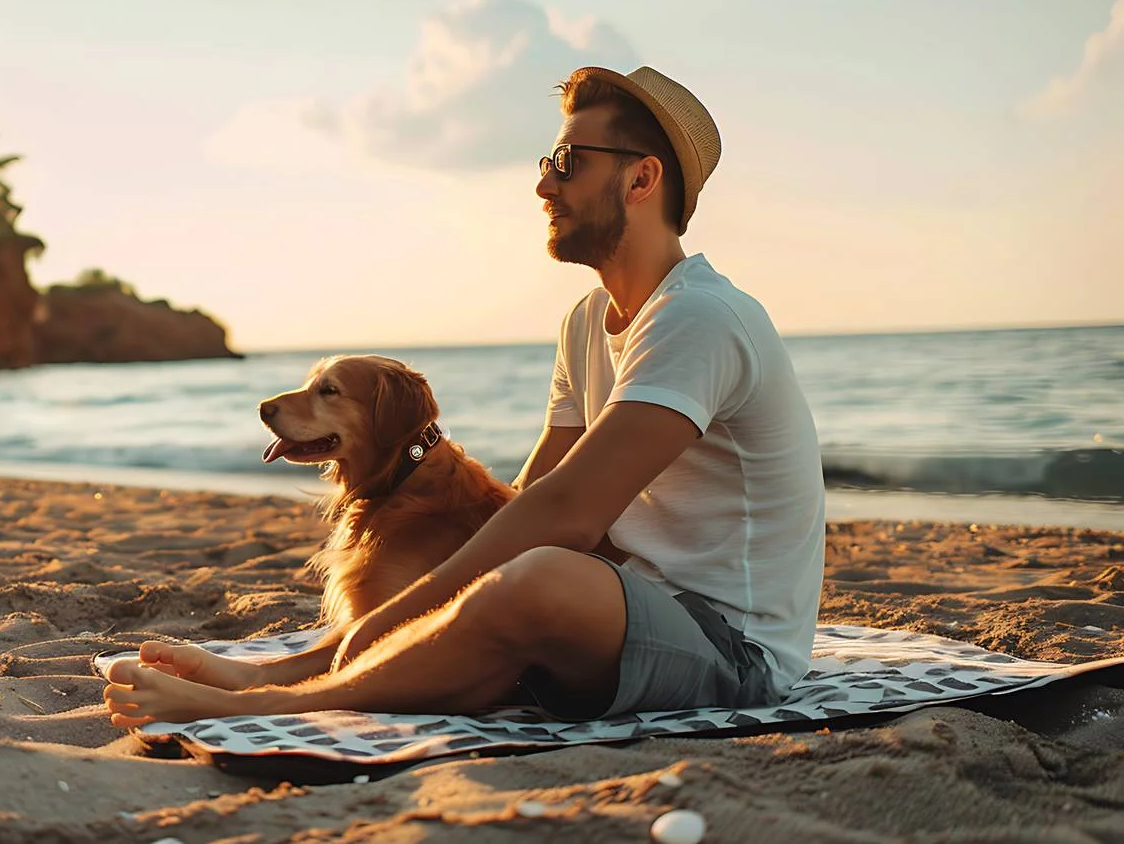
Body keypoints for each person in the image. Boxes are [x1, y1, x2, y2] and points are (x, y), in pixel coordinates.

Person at [103, 65, 826, 727]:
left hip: (731, 649)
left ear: (641, 180)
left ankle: (272, 701)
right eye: (546, 164)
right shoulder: (585, 322)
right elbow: (529, 499)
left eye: (567, 164)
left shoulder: (699, 316)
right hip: (625, 611)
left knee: (532, 574)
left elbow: (568, 512)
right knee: (505, 569)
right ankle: (277, 674)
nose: (544, 187)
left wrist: (389, 620)